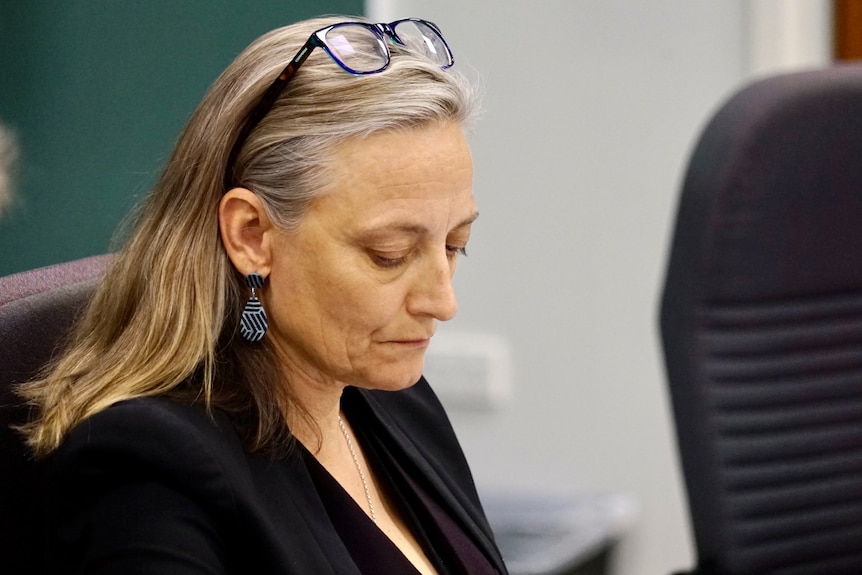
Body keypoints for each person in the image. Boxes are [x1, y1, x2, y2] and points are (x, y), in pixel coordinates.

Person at [18, 15, 507, 575]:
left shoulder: (394, 398)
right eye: (389, 254)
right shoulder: (150, 470)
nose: (442, 303)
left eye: (454, 246)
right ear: (252, 235)